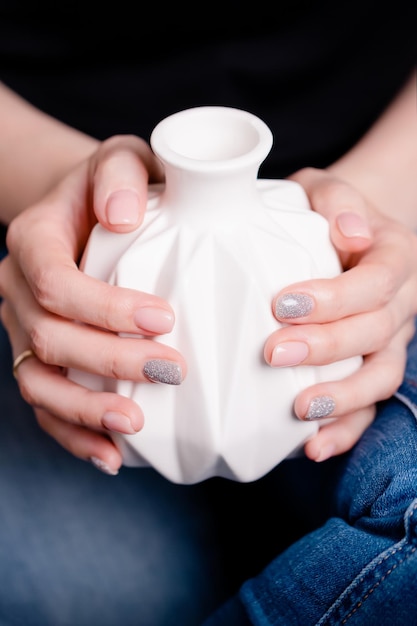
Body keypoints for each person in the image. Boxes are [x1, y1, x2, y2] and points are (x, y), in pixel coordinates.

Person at [0, 3, 416, 624]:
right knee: (108, 596)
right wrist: (58, 188)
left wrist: (376, 212)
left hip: (378, 189)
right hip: (53, 232)